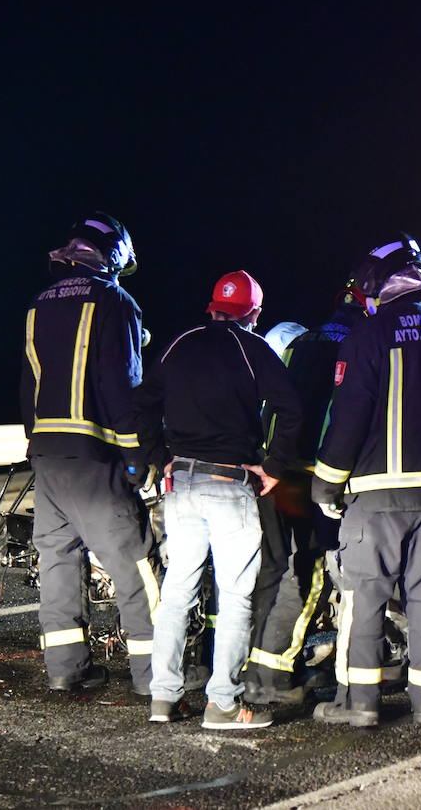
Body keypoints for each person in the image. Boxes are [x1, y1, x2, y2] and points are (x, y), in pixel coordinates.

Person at [309, 236, 421, 727]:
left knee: (366, 598)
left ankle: (361, 705)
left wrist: (325, 483)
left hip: (376, 497)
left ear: (379, 283)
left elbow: (348, 417)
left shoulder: (368, 334)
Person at [134, 270, 303, 730]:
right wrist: (273, 467)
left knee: (176, 595)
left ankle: (163, 698)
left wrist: (159, 457)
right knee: (234, 599)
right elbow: (291, 409)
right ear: (255, 314)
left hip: (183, 486)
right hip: (231, 486)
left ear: (212, 306)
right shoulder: (255, 349)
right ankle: (223, 705)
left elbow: (141, 404)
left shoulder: (180, 342)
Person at [19, 212, 158, 696]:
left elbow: (28, 383)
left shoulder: (39, 302)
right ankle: (153, 677)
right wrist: (137, 451)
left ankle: (66, 669)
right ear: (115, 254)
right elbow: (123, 383)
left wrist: (35, 445)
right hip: (95, 457)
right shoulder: (115, 300)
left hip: (47, 456)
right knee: (133, 563)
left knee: (58, 561)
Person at [243, 299, 362, 707]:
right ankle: (274, 674)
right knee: (307, 575)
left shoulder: (300, 344)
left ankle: (254, 666)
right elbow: (349, 416)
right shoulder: (360, 347)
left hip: (275, 472)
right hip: (316, 477)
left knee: (273, 570)